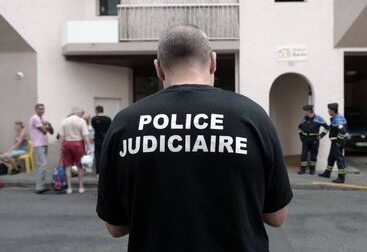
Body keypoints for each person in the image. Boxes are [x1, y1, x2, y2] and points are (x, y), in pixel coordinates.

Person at [97, 24, 293, 252]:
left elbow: (115, 227)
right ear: (213, 62)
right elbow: (277, 216)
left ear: (159, 68)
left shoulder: (124, 123)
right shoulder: (252, 117)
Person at [60, 107, 90, 194]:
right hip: (78, 144)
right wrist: (88, 147)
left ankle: (69, 188)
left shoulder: (64, 121)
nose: (81, 115)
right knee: (80, 166)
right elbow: (85, 135)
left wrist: (61, 147)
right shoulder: (81, 121)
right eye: (81, 114)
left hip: (67, 144)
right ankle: (81, 187)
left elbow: (61, 136)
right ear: (78, 113)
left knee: (68, 166)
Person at [318, 103, 348, 183]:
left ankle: (341, 178)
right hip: (335, 143)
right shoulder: (336, 117)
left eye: (329, 110)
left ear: (333, 111)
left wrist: (338, 142)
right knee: (331, 158)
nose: (328, 111)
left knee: (339, 160)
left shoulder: (337, 119)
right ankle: (327, 173)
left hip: (337, 143)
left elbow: (343, 132)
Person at [297, 105, 329, 175]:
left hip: (314, 140)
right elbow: (299, 128)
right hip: (305, 140)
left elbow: (327, 127)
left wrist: (321, 135)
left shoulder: (318, 118)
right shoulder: (304, 119)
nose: (304, 112)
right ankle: (302, 169)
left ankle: (312, 170)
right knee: (304, 155)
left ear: (309, 111)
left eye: (305, 111)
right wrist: (301, 137)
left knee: (314, 155)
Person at [30, 103, 54, 194]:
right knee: (42, 165)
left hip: (45, 143)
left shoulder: (44, 118)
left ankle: (42, 185)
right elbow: (44, 131)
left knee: (43, 165)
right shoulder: (35, 118)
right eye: (40, 109)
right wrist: (46, 126)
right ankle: (39, 187)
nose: (42, 111)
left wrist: (49, 124)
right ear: (36, 110)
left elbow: (51, 131)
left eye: (43, 109)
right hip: (38, 144)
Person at [91, 106, 111, 175]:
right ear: (103, 110)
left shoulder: (94, 119)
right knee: (106, 154)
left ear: (96, 110)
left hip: (97, 139)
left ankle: (98, 171)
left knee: (98, 155)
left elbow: (93, 128)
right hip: (106, 138)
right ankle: (106, 170)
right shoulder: (108, 119)